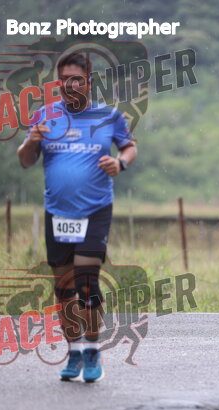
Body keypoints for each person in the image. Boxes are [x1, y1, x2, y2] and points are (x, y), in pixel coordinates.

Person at [17, 52, 137, 382]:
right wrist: (31, 142)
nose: (69, 86)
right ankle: (73, 352)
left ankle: (93, 349)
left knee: (86, 280)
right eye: (64, 80)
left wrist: (120, 163)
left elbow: (130, 147)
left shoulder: (109, 116)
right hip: (57, 211)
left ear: (89, 82)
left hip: (96, 209)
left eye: (77, 80)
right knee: (63, 287)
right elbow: (25, 160)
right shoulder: (45, 116)